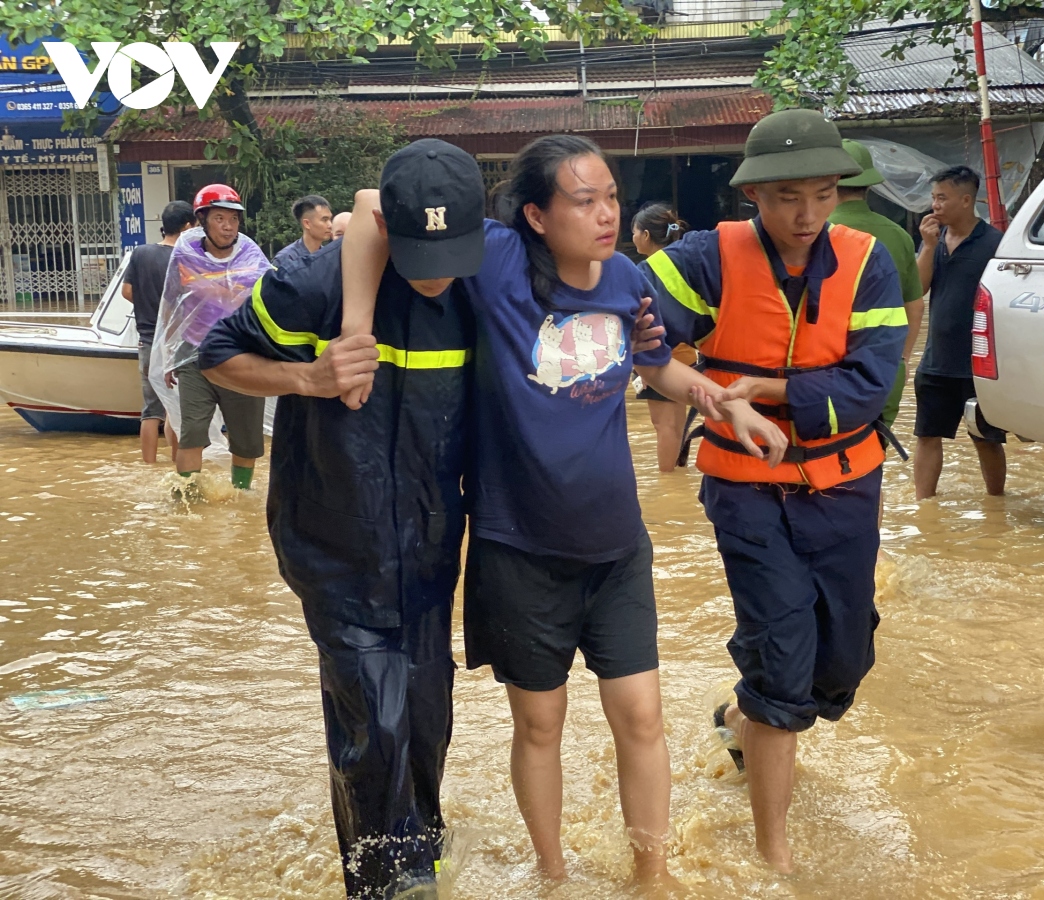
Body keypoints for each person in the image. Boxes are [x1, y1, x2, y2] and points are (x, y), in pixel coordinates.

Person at [337, 134, 785, 885]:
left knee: (641, 719)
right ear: (538, 216)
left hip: (616, 547)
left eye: (611, 196)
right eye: (585, 200)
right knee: (540, 724)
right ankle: (553, 874)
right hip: (520, 549)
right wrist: (356, 328)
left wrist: (714, 397)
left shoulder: (626, 281)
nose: (607, 214)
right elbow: (370, 209)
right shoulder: (500, 260)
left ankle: (652, 876)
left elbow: (653, 365)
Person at [199, 140, 483, 899]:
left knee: (425, 716)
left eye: (452, 251)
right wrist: (308, 376)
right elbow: (217, 354)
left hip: (427, 548)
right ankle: (384, 885)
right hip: (335, 539)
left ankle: (425, 862)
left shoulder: (478, 282)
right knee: (374, 725)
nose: (436, 272)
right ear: (390, 230)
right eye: (422, 252)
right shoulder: (313, 284)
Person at [641, 108, 905, 872]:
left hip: (846, 488)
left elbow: (868, 385)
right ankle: (774, 855)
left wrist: (774, 389)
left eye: (823, 195)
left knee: (841, 668)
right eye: (789, 195)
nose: (807, 215)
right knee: (786, 662)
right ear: (754, 195)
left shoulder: (866, 261)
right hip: (746, 491)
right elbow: (632, 319)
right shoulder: (707, 256)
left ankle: (736, 715)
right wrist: (710, 390)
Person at [154, 184, 272, 488]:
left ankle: (241, 496)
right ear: (202, 220)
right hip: (195, 355)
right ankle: (186, 500)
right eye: (219, 218)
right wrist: (169, 358)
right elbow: (171, 305)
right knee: (191, 435)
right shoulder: (185, 253)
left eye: (233, 219)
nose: (228, 226)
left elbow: (263, 302)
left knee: (246, 441)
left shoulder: (250, 256)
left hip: (242, 356)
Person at [912, 166, 1005, 500]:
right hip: (936, 360)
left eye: (942, 198)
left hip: (978, 362)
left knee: (987, 437)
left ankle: (997, 503)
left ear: (967, 200)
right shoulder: (933, 242)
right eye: (934, 198)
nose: (935, 205)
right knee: (926, 435)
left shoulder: (995, 244)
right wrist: (926, 246)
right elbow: (919, 288)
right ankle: (924, 507)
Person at [828, 141, 925, 432]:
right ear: (869, 187)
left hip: (826, 376)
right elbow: (915, 306)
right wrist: (903, 361)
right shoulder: (898, 235)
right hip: (884, 372)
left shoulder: (810, 234)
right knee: (869, 463)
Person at [122, 200, 193, 463]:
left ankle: (149, 467)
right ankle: (178, 464)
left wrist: (149, 310)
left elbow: (127, 292)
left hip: (148, 340)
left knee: (151, 410)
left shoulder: (140, 253)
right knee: (175, 407)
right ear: (188, 227)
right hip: (178, 343)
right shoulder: (186, 259)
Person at [630, 202, 698, 472]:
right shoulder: (684, 261)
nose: (633, 237)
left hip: (659, 353)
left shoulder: (645, 271)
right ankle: (680, 474)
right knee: (678, 422)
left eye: (634, 232)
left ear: (646, 235)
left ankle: (668, 483)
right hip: (688, 353)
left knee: (664, 425)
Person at [274, 194, 333, 266]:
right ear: (307, 223)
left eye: (330, 219)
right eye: (324, 220)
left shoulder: (329, 257)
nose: (330, 225)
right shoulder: (287, 259)